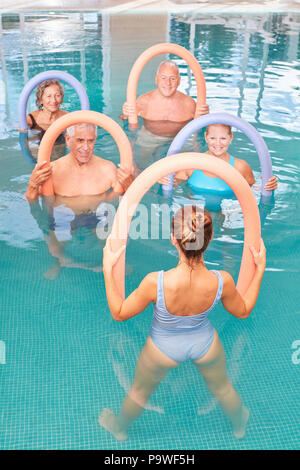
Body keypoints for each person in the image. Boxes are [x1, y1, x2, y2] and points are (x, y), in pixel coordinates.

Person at [99, 205, 266, 440]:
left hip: (162, 348)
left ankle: (119, 429)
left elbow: (119, 313)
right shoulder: (222, 281)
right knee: (223, 388)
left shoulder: (155, 282)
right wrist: (259, 270)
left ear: (173, 240)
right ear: (208, 240)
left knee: (138, 393)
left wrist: (108, 269)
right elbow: (243, 311)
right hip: (205, 344)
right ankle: (239, 424)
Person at [25, 123, 133, 278]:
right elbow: (32, 201)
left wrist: (129, 185)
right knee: (49, 235)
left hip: (96, 217)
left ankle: (111, 264)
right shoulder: (53, 170)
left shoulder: (107, 168)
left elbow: (121, 201)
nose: (86, 147)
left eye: (90, 141)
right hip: (64, 217)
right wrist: (33, 185)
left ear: (95, 140)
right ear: (68, 139)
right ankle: (59, 261)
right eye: (80, 140)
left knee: (122, 237)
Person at [160, 123, 278, 194]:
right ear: (206, 137)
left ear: (231, 138)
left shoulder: (240, 166)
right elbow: (173, 184)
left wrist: (267, 186)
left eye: (223, 138)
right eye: (212, 138)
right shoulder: (193, 164)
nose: (218, 143)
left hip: (228, 211)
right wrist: (162, 179)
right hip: (195, 211)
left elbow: (252, 190)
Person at [121, 60, 209, 139]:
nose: (168, 83)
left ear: (179, 81)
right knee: (144, 156)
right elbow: (127, 123)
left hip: (180, 139)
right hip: (150, 136)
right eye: (163, 78)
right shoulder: (144, 101)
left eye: (173, 78)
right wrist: (126, 114)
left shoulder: (189, 104)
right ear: (156, 79)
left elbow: (202, 129)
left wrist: (206, 117)